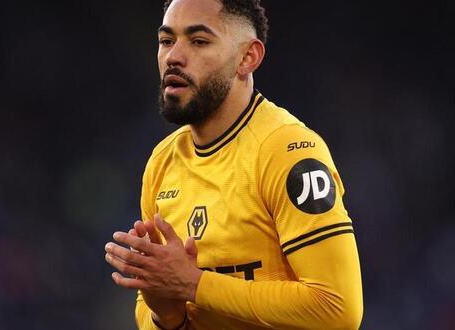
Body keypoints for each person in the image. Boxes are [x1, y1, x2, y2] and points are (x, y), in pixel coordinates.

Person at [104, 0, 363, 328]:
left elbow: (338, 310)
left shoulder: (287, 151)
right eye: (167, 41)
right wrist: (166, 314)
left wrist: (195, 284)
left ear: (247, 58)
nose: (174, 56)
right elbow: (155, 311)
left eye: (199, 41)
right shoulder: (162, 163)